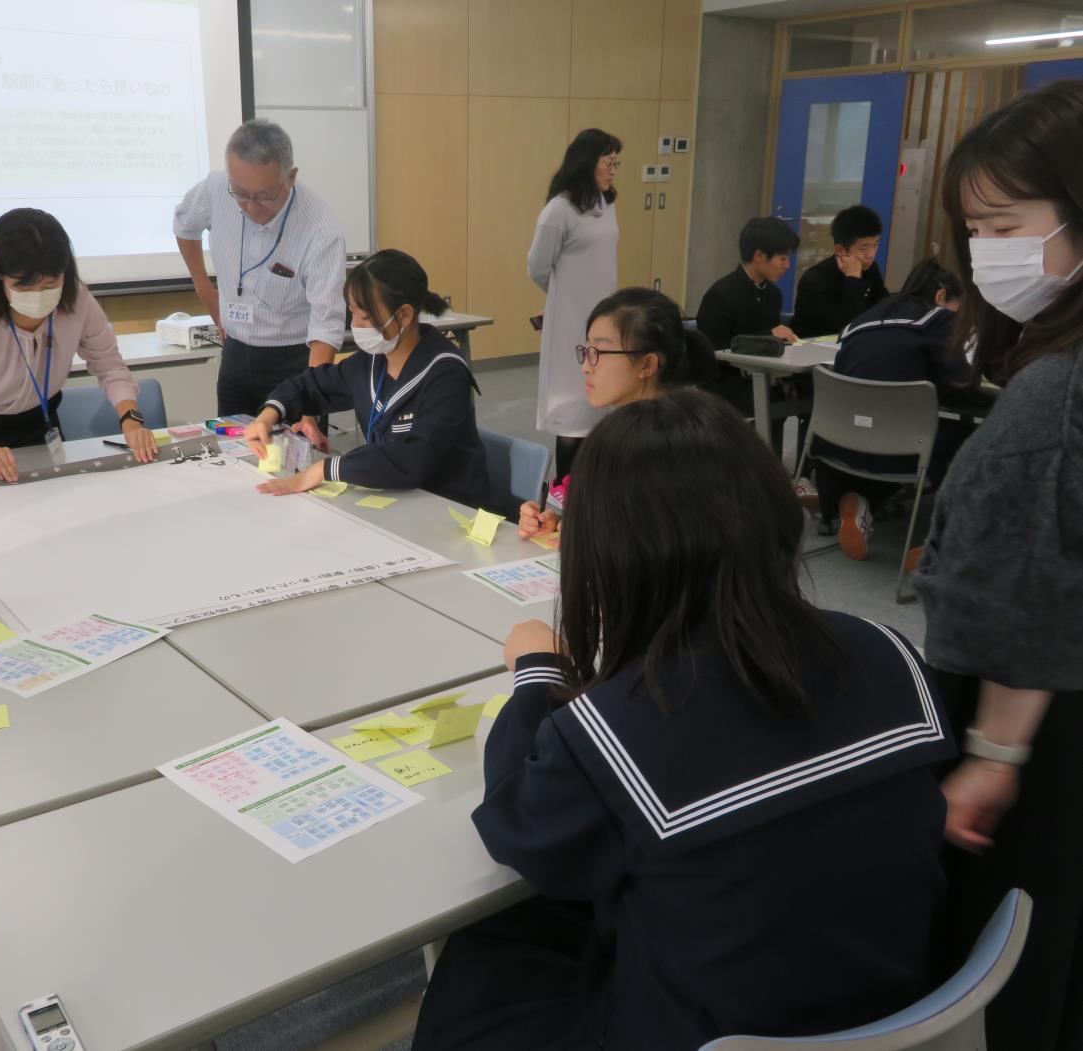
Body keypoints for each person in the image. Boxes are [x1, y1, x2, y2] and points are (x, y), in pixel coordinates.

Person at [412, 389, 955, 1051]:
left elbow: (518, 830)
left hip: (707, 1034)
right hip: (899, 1009)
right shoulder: (892, 650)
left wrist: (538, 672)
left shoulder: (615, 733)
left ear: (609, 557)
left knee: (479, 958)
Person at [913, 79, 1083, 1050]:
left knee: (1013, 935)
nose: (986, 251)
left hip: (1037, 732)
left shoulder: (1052, 397)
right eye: (974, 227)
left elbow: (1030, 595)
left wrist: (993, 754)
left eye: (1005, 222)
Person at [0, 208, 156, 483]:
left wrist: (130, 420)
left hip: (38, 421)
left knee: (52, 503)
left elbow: (109, 365)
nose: (38, 296)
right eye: (23, 287)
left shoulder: (78, 300)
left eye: (49, 284)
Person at [243, 249, 488, 508]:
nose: (357, 325)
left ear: (404, 314)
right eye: (353, 313)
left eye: (366, 316)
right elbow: (309, 385)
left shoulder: (445, 374)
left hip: (447, 505)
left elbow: (414, 458)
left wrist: (323, 469)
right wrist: (268, 415)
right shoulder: (372, 360)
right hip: (394, 497)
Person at [174, 118, 347, 434]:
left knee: (291, 459)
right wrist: (203, 287)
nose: (250, 207)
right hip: (235, 353)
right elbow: (185, 223)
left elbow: (326, 325)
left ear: (291, 177)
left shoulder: (320, 231)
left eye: (264, 196)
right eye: (240, 193)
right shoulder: (214, 189)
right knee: (231, 452)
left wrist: (308, 402)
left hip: (293, 362)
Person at [517, 287, 714, 538]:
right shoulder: (620, 433)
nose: (586, 368)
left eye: (598, 353)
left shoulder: (676, 446)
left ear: (647, 364)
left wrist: (587, 535)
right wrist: (555, 520)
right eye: (586, 351)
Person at [811, 258, 972, 560]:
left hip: (838, 448)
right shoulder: (937, 319)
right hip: (902, 451)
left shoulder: (860, 320)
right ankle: (946, 542)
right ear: (940, 297)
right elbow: (960, 380)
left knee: (883, 422)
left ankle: (860, 502)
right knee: (970, 435)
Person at [527, 128, 622, 481]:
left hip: (605, 319)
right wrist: (563, 296)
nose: (613, 169)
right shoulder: (559, 209)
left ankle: (591, 493)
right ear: (587, 163)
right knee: (572, 416)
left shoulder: (606, 205)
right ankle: (562, 499)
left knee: (601, 411)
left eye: (616, 163)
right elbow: (537, 266)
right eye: (608, 162)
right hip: (570, 323)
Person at [696, 216, 800, 414]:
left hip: (761, 378)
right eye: (783, 258)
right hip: (727, 383)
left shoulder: (773, 294)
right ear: (759, 255)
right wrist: (769, 335)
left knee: (801, 392)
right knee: (770, 404)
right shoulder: (720, 295)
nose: (787, 266)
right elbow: (714, 353)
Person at [789, 203, 888, 337]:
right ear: (840, 250)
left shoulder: (870, 269)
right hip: (813, 350)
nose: (870, 254)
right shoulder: (815, 280)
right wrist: (853, 278)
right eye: (863, 248)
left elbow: (885, 308)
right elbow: (847, 326)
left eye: (875, 245)